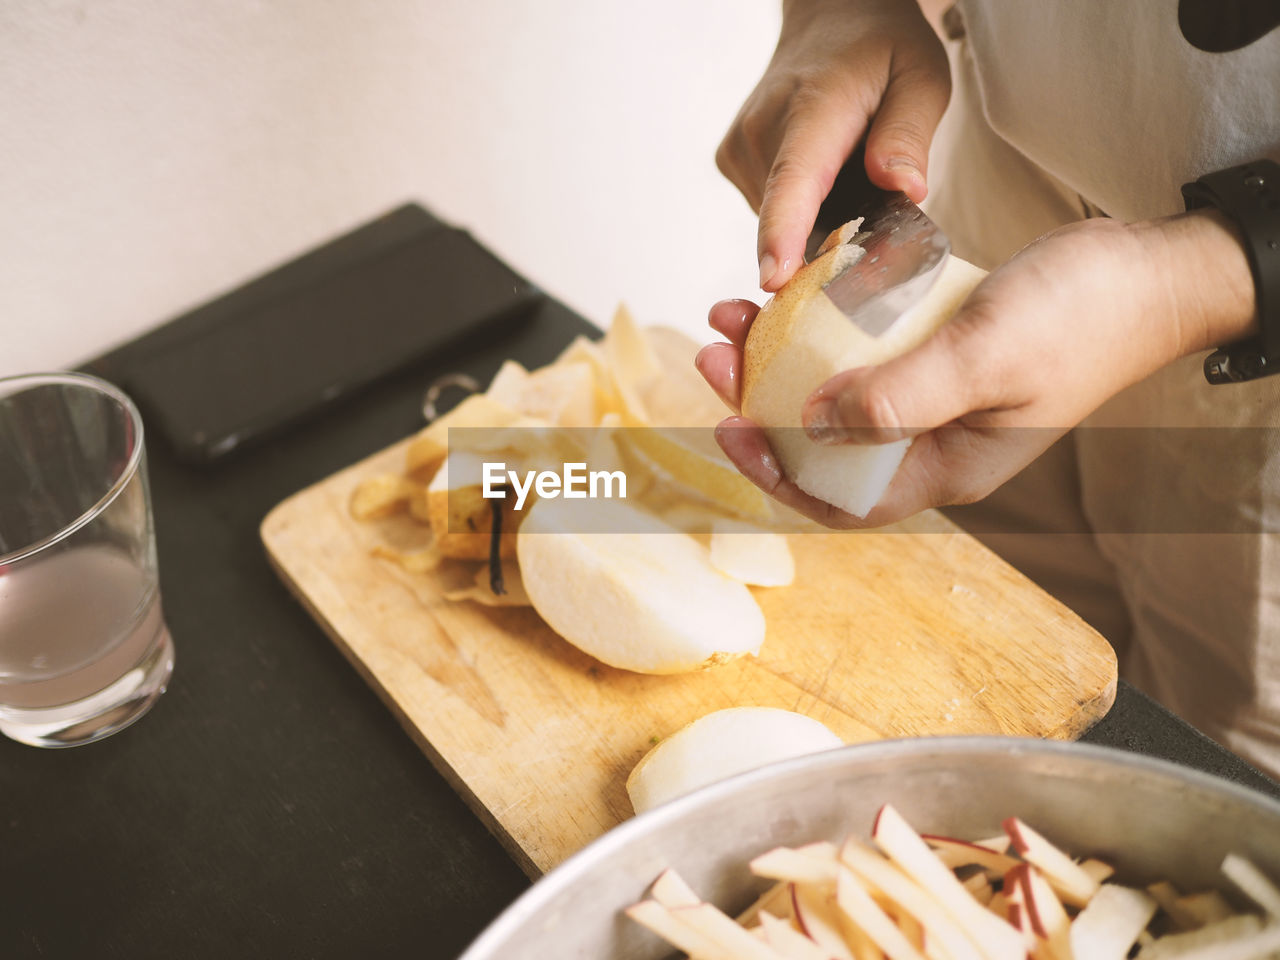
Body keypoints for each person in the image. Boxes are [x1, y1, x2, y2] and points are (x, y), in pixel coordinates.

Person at [695, 0, 1280, 775]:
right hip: (1002, 212)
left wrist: (1179, 290)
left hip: (1253, 335)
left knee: (1202, 779)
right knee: (978, 667)